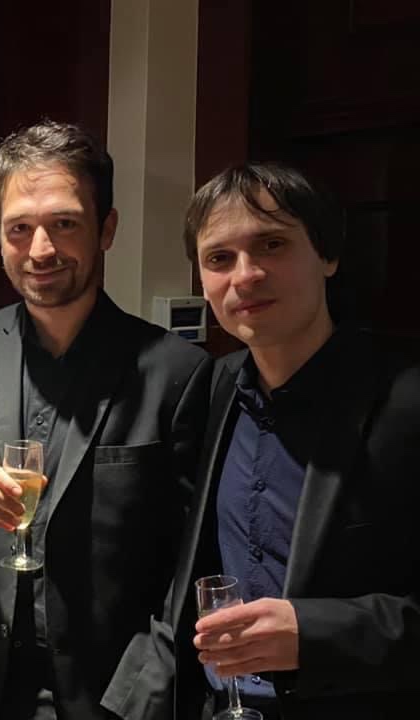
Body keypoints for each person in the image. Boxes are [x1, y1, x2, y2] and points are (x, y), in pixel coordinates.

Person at [0, 120, 212, 720]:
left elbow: (195, 557)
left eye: (64, 223)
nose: (40, 250)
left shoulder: (177, 371)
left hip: (112, 693)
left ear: (107, 229)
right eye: (19, 228)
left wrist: (147, 687)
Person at [141, 162, 420, 720]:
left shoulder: (406, 399)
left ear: (327, 255)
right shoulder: (213, 387)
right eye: (219, 258)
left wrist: (315, 634)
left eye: (271, 244)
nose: (245, 276)